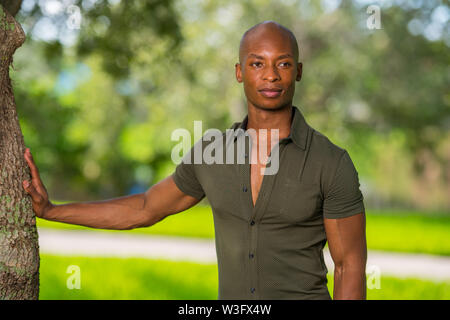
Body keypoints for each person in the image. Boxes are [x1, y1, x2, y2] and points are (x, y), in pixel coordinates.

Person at [23, 21, 367, 300]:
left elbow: (347, 265)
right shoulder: (211, 153)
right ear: (239, 72)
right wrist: (52, 210)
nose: (271, 75)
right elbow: (144, 207)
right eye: (257, 63)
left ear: (298, 71)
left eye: (283, 63)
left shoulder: (330, 163)